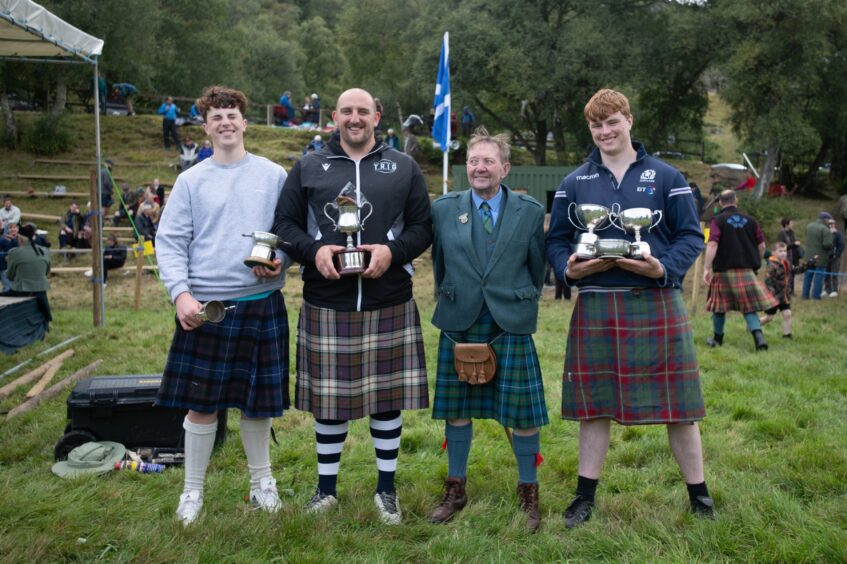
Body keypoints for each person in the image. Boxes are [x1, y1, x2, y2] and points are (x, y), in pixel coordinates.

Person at [546, 89, 713, 528]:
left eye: (612, 122)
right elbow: (556, 240)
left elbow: (691, 236)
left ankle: (700, 497)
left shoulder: (666, 176)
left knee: (680, 407)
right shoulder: (575, 182)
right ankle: (584, 497)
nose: (605, 132)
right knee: (593, 407)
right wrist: (569, 271)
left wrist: (664, 269)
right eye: (597, 125)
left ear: (629, 121)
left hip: (656, 299)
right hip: (597, 303)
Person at [272, 87, 431, 525]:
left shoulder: (403, 167)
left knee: (386, 400)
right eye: (347, 111)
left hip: (388, 299)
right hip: (327, 301)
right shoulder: (309, 166)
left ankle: (386, 491)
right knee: (329, 403)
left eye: (363, 111)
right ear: (335, 117)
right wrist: (313, 251)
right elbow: (283, 224)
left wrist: (391, 253)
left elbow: (422, 227)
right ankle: (325, 491)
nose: (355, 118)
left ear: (377, 116)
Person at [155, 85, 292, 526]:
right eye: (217, 117)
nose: (226, 122)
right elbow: (170, 242)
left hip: (261, 302)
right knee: (201, 405)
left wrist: (281, 262)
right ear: (206, 126)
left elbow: (290, 232)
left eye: (232, 114)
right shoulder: (191, 180)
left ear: (245, 122)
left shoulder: (274, 175)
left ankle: (262, 486)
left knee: (259, 404)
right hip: (206, 308)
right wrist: (181, 295)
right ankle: (191, 491)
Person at [429, 127, 547, 531]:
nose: (480, 168)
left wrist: (521, 300)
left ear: (505, 167)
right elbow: (440, 264)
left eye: (488, 161)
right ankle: (455, 486)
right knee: (457, 410)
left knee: (524, 414)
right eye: (474, 161)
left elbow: (536, 265)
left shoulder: (529, 211)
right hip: (460, 317)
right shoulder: (444, 208)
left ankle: (528, 490)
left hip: (508, 319)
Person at [704, 189, 777, 350]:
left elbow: (712, 244)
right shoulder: (751, 220)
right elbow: (762, 246)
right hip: (746, 271)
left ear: (721, 203)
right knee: (748, 306)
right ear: (736, 200)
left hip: (723, 272)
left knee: (719, 307)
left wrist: (706, 268)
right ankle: (759, 339)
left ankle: (717, 340)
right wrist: (756, 263)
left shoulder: (718, 220)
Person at [760, 241, 817, 339]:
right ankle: (754, 326)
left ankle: (787, 335)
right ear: (774, 253)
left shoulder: (786, 263)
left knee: (787, 314)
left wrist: (810, 263)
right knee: (769, 317)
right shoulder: (772, 265)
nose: (783, 253)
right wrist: (772, 294)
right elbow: (767, 281)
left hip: (784, 296)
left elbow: (796, 270)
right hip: (774, 296)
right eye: (780, 251)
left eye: (785, 251)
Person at [5, 223, 51, 325]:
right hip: (41, 289)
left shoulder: (15, 253)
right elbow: (47, 272)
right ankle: (47, 320)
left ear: (20, 239)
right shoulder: (45, 251)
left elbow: (10, 276)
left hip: (22, 289)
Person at [802, 212, 834, 300]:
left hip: (808, 256)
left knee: (807, 276)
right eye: (829, 220)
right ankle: (815, 296)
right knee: (818, 278)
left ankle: (805, 295)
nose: (829, 222)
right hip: (820, 258)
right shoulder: (825, 229)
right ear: (825, 219)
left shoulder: (809, 226)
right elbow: (827, 244)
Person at [776, 217, 803, 295]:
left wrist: (796, 244)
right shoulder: (781, 233)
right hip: (784, 257)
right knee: (785, 274)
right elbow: (781, 247)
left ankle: (791, 290)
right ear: (786, 224)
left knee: (792, 273)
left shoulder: (792, 232)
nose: (793, 224)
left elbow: (793, 242)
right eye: (791, 223)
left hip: (793, 256)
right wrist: (793, 244)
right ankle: (785, 290)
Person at [824, 217, 843, 297]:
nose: (831, 225)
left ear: (835, 224)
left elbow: (842, 245)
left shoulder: (838, 233)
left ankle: (835, 290)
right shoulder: (826, 233)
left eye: (832, 224)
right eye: (830, 224)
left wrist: (836, 254)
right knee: (826, 273)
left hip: (835, 257)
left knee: (834, 273)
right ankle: (827, 289)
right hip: (827, 256)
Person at [0, 222, 20, 292]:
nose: (13, 229)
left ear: (18, 229)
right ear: (7, 230)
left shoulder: (21, 239)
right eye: (10, 228)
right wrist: (4, 256)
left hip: (18, 266)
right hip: (5, 266)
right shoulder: (3, 239)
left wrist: (14, 239)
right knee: (8, 287)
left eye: (14, 227)